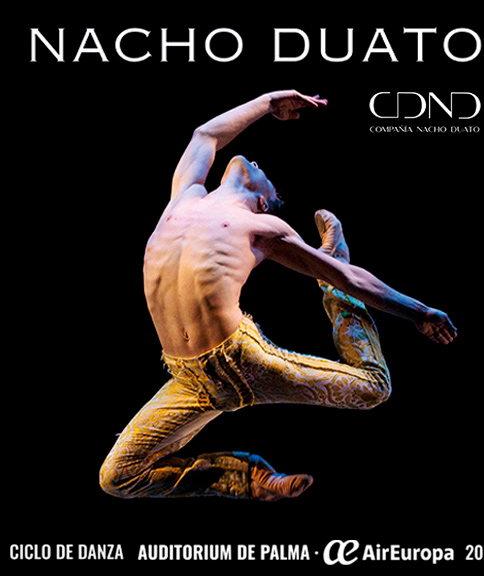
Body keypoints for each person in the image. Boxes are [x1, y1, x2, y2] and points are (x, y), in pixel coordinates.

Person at [99, 90, 457, 502]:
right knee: (117, 477)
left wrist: (419, 312)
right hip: (189, 378)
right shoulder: (185, 197)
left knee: (374, 388)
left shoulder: (262, 227)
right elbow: (205, 136)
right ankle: (248, 479)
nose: (254, 161)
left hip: (243, 363)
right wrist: (268, 103)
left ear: (263, 200)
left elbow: (352, 279)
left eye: (263, 171)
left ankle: (332, 280)